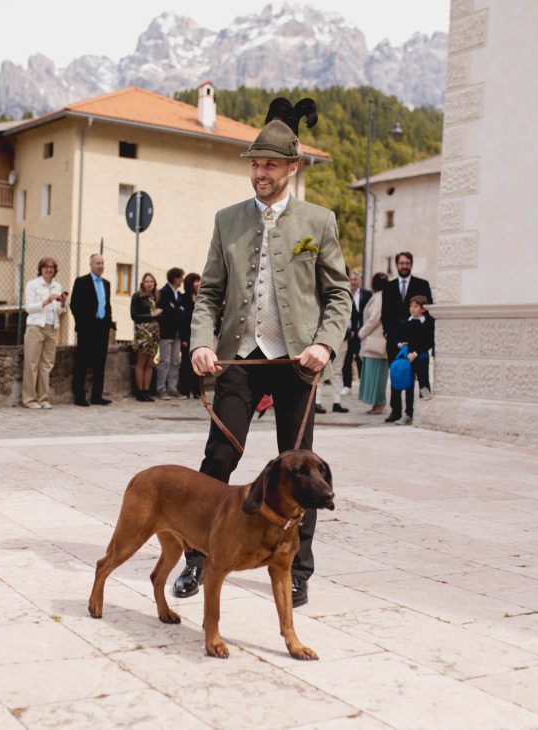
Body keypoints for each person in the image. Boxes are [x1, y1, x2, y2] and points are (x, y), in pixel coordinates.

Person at [176, 98, 350, 609]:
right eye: (255, 164)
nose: (260, 173)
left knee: (301, 471)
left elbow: (338, 294)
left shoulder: (318, 221)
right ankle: (198, 558)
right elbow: (208, 293)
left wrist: (325, 342)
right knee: (219, 457)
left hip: (299, 363)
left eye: (270, 164)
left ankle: (297, 569)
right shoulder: (227, 221)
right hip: (240, 359)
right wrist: (202, 344)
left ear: (291, 168)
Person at [21, 257, 67, 410]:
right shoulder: (32, 284)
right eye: (46, 267)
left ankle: (43, 398)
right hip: (36, 327)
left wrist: (62, 302)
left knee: (46, 365)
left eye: (52, 267)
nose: (49, 269)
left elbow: (59, 311)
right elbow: (29, 308)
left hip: (52, 328)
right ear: (40, 269)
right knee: (31, 364)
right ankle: (29, 399)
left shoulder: (57, 286)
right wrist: (47, 300)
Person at [69, 253, 113, 407]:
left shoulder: (106, 283)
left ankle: (97, 396)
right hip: (87, 328)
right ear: (91, 264)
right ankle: (79, 396)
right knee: (83, 362)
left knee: (100, 363)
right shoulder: (82, 281)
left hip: (102, 328)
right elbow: (74, 304)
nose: (100, 266)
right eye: (97, 263)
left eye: (102, 263)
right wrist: (82, 323)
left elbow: (107, 305)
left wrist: (108, 322)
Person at [386, 295, 434, 425]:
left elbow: (428, 341)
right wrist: (399, 344)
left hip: (420, 357)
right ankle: (408, 413)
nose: (412, 309)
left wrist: (416, 353)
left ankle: (424, 413)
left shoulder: (428, 323)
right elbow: (398, 337)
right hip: (408, 358)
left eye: (416, 306)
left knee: (423, 383)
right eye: (411, 306)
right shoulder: (406, 322)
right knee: (408, 385)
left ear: (423, 309)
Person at [381, 251, 432, 362]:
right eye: (401, 263)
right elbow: (385, 313)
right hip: (394, 341)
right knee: (398, 376)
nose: (404, 266)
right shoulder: (388, 287)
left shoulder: (422, 285)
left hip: (417, 344)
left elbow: (428, 311)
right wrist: (388, 334)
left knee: (421, 377)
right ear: (396, 265)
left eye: (407, 263)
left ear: (411, 264)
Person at [357, 273, 390, 415]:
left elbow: (375, 318)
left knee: (377, 374)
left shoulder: (381, 297)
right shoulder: (377, 296)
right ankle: (375, 403)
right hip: (373, 339)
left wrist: (361, 333)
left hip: (376, 340)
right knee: (373, 373)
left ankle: (380, 403)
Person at [130, 272, 161, 401]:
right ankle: (140, 391)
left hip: (153, 333)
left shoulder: (155, 297)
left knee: (150, 363)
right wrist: (151, 315)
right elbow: (134, 316)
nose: (149, 284)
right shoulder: (137, 296)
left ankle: (147, 391)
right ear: (142, 283)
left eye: (151, 282)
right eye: (147, 281)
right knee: (141, 362)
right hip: (142, 333)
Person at [341, 267, 371, 396]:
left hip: (363, 333)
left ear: (359, 280)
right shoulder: (344, 294)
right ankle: (347, 385)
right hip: (349, 333)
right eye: (351, 279)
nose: (353, 282)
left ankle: (362, 384)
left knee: (361, 359)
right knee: (347, 360)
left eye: (355, 279)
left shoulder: (367, 294)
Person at [155, 267, 185, 399]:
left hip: (177, 332)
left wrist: (176, 309)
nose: (182, 280)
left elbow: (181, 311)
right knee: (165, 361)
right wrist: (177, 310)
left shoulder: (178, 294)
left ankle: (172, 388)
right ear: (175, 278)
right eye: (181, 277)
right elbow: (165, 312)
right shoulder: (164, 292)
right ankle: (161, 388)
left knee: (175, 362)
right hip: (167, 332)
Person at [177, 272, 202, 398]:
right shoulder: (183, 298)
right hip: (187, 336)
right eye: (195, 281)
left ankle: (197, 390)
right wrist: (183, 338)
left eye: (199, 281)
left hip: (199, 336)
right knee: (186, 364)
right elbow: (182, 320)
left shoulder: (202, 298)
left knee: (198, 364)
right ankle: (184, 390)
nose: (198, 284)